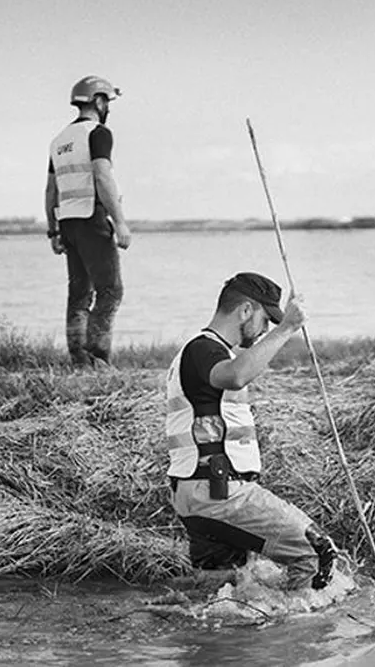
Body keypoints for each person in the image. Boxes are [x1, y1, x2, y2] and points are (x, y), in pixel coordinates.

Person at [165, 272, 339, 590]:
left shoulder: (199, 353)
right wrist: (288, 327)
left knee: (225, 589)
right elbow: (236, 375)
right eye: (265, 320)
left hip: (199, 491)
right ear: (246, 310)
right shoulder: (203, 350)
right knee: (316, 553)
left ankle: (209, 636)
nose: (264, 331)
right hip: (217, 494)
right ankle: (306, 634)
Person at [44, 75, 132, 367]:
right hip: (92, 218)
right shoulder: (98, 133)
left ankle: (79, 362)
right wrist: (119, 222)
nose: (108, 108)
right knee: (110, 291)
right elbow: (102, 175)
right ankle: (97, 360)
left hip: (67, 222)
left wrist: (53, 230)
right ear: (98, 100)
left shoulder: (59, 140)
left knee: (79, 293)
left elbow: (50, 190)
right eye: (107, 101)